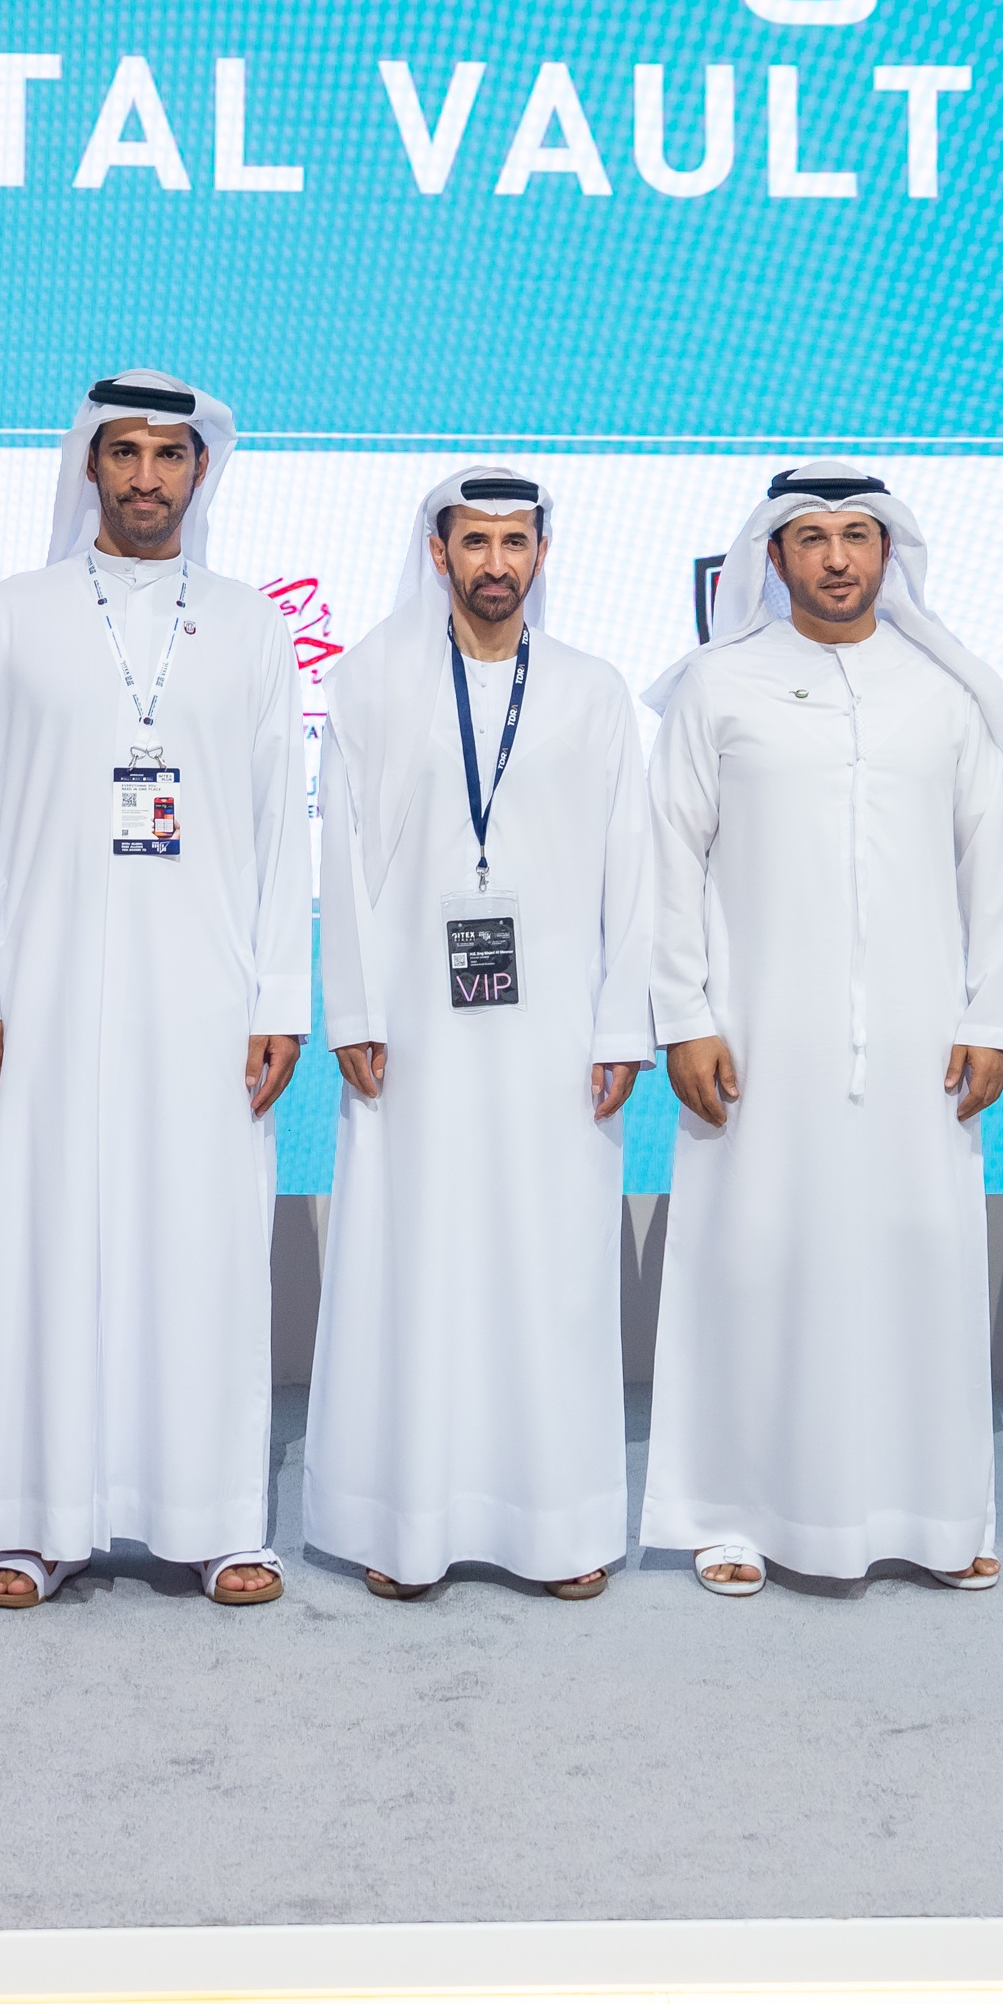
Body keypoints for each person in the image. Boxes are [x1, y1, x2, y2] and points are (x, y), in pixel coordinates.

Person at [0, 370, 315, 1610]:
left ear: (200, 471)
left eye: (169, 454)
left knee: (200, 1247)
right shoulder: (14, 613)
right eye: (125, 452)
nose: (147, 477)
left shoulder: (251, 626)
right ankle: (30, 1521)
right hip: (41, 988)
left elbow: (280, 827)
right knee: (39, 1244)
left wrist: (280, 995)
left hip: (205, 995)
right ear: (90, 464)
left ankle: (210, 1523)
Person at [640, 463, 1003, 1596]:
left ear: (888, 550)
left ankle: (932, 1510)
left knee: (918, 1259)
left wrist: (991, 1012)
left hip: (918, 1040)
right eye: (811, 538)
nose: (838, 557)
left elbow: (993, 866)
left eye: (858, 535)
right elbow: (669, 860)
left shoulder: (943, 691)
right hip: (757, 1038)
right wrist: (683, 1015)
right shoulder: (717, 686)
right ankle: (725, 1509)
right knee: (754, 1256)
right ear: (773, 555)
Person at [301, 470, 656, 1601]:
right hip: (413, 1028)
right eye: (475, 541)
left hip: (556, 1030)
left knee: (549, 1268)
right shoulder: (369, 682)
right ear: (437, 551)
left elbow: (633, 866)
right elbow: (340, 860)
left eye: (514, 542)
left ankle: (557, 1526)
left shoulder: (593, 690)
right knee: (416, 1261)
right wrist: (353, 1010)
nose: (495, 562)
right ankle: (405, 1522)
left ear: (541, 554)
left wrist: (623, 1021)